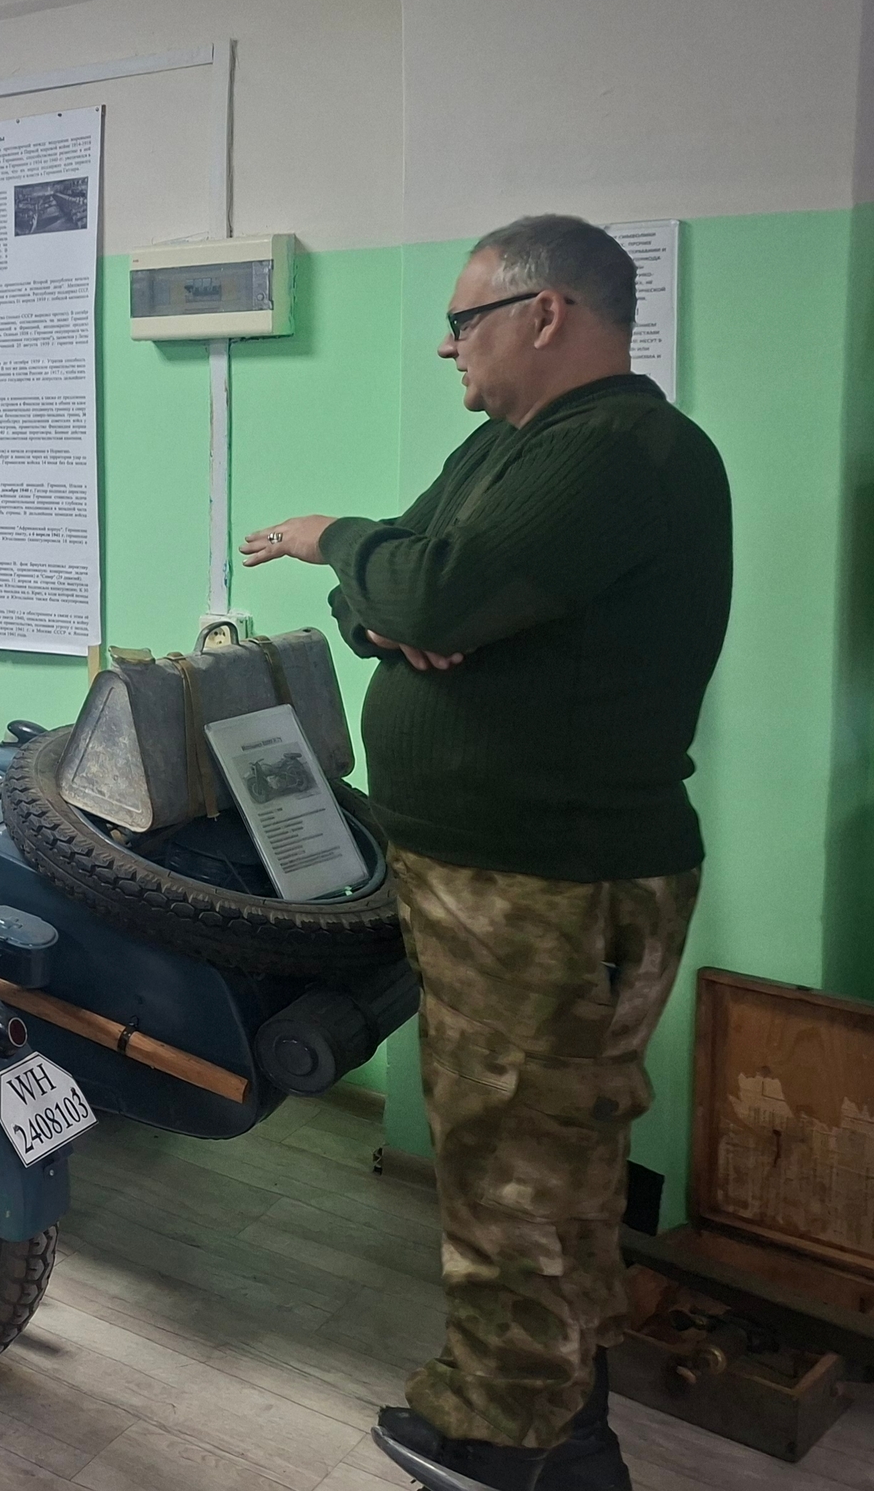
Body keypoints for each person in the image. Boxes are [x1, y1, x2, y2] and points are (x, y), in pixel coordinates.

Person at [242, 215, 731, 1491]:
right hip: (500, 875)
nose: (446, 346)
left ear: (544, 313)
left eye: (462, 321)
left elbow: (417, 587)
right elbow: (395, 599)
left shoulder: (620, 452)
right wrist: (393, 592)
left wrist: (337, 539)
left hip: (548, 882)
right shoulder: (505, 449)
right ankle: (564, 1413)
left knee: (516, 1165)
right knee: (542, 1153)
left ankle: (507, 1442)